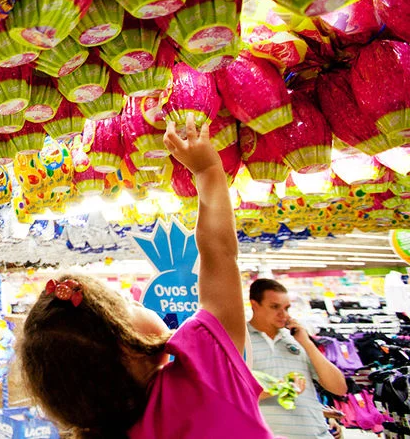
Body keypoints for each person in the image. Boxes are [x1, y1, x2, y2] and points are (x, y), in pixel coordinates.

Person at [19, 115, 276, 438]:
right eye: (128, 304)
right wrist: (208, 171)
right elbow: (220, 253)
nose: (137, 300)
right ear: (128, 349)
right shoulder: (203, 376)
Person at [247, 278, 348, 439]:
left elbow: (339, 388)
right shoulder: (239, 341)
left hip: (316, 434)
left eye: (286, 308)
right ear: (254, 304)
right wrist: (279, 388)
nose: (283, 314)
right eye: (274, 307)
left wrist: (307, 343)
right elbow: (230, 395)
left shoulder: (298, 339)